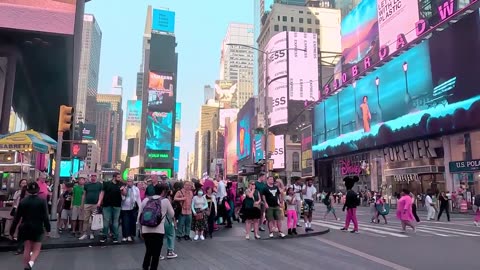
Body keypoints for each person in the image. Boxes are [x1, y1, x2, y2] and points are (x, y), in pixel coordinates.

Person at [10, 181, 51, 270]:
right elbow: (45, 217)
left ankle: (26, 267)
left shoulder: (23, 201)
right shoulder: (42, 201)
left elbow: (17, 218)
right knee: (36, 249)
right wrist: (48, 229)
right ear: (38, 190)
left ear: (27, 190)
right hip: (38, 227)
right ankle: (31, 263)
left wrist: (12, 231)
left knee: (27, 248)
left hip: (25, 226)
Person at [138, 184, 174, 270]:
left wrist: (140, 230)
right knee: (156, 253)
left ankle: (145, 267)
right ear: (163, 192)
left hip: (146, 230)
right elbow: (172, 214)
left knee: (149, 250)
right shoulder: (165, 201)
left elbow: (139, 216)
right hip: (159, 230)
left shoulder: (146, 200)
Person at [97, 172, 125, 243]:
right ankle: (104, 236)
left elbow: (125, 194)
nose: (119, 178)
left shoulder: (121, 184)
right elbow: (102, 193)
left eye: (120, 177)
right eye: (118, 177)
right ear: (114, 177)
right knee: (106, 221)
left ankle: (115, 236)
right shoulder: (107, 183)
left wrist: (123, 189)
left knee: (115, 222)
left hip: (117, 205)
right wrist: (99, 202)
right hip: (107, 205)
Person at [5, 179, 28, 255]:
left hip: (25, 211)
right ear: (20, 184)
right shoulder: (17, 192)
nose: (24, 184)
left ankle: (20, 241)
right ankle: (13, 237)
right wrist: (11, 212)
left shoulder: (27, 193)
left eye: (25, 183)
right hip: (17, 210)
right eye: (22, 183)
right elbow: (14, 203)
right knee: (15, 224)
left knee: (21, 226)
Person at [79, 173, 102, 240]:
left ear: (96, 177)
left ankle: (92, 233)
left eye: (94, 176)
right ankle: (85, 233)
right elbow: (84, 194)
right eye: (92, 176)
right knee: (85, 219)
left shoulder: (99, 185)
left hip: (95, 204)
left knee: (93, 220)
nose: (93, 177)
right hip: (87, 204)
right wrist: (82, 204)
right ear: (90, 177)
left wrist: (99, 202)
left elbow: (101, 194)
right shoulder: (86, 185)